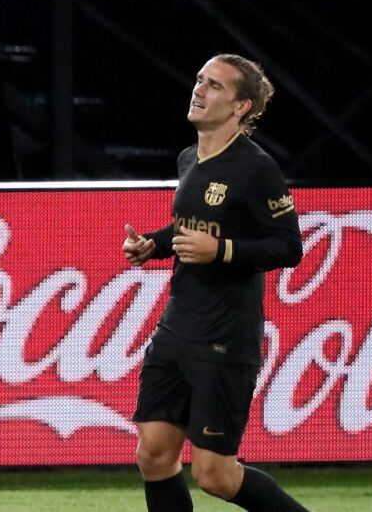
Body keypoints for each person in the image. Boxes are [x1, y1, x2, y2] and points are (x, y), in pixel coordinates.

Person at [122, 54, 308, 511]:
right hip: (177, 327)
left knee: (215, 476)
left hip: (224, 338)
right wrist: (155, 245)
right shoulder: (191, 157)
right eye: (199, 79)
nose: (199, 90)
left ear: (242, 107)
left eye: (215, 86)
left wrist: (221, 251)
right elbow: (195, 227)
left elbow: (288, 247)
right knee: (154, 455)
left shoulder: (256, 168)